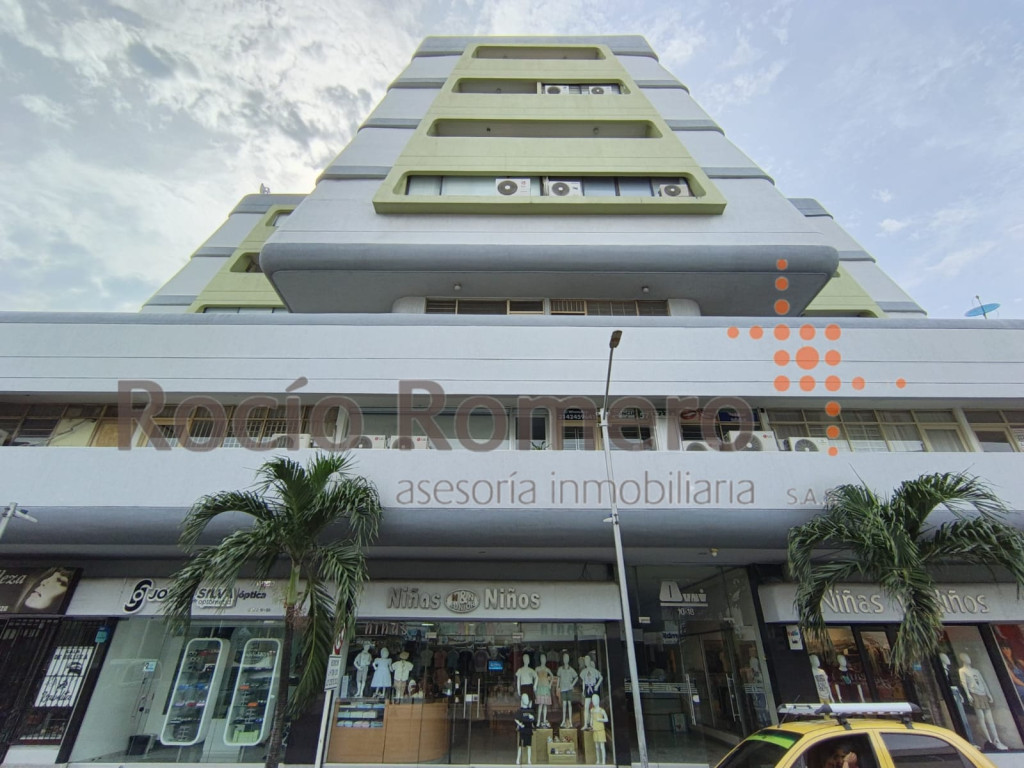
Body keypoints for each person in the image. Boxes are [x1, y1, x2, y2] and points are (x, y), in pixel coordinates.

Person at [958, 653, 1008, 750]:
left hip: (983, 693)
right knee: (981, 718)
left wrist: (989, 694)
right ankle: (989, 741)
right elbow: (964, 683)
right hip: (974, 693)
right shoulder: (962, 671)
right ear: (962, 659)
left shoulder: (976, 671)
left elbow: (983, 682)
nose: (968, 659)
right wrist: (968, 695)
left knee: (990, 719)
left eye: (968, 656)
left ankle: (996, 740)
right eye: (965, 657)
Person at [558, 652, 580, 727]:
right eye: (564, 658)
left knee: (569, 704)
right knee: (564, 704)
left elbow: (576, 677)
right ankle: (563, 720)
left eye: (567, 658)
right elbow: (559, 678)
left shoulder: (571, 669)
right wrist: (558, 686)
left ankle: (570, 720)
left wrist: (572, 684)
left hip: (569, 688)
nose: (565, 659)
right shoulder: (560, 669)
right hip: (563, 688)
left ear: (568, 659)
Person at [514, 692, 536, 765]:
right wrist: (520, 724)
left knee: (529, 746)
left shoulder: (531, 711)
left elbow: (534, 719)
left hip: (528, 729)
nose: (526, 700)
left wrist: (532, 717)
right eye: (525, 698)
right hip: (523, 730)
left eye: (527, 698)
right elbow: (516, 719)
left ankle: (529, 760)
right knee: (520, 745)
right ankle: (518, 759)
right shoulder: (520, 711)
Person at [588, 693, 609, 764]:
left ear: (598, 700)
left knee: (602, 746)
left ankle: (603, 761)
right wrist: (591, 723)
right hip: (595, 729)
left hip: (600, 730)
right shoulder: (592, 710)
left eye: (595, 700)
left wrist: (600, 719)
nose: (594, 702)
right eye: (593, 700)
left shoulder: (601, 710)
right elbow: (591, 718)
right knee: (597, 746)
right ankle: (598, 760)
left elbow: (606, 719)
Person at [535, 653, 554, 725]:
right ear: (540, 659)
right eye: (542, 658)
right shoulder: (537, 668)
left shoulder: (547, 669)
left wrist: (550, 684)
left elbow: (552, 676)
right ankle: (538, 720)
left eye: (544, 658)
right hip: (540, 687)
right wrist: (535, 685)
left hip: (545, 687)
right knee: (540, 704)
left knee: (545, 705)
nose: (543, 660)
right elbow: (535, 677)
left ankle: (544, 719)